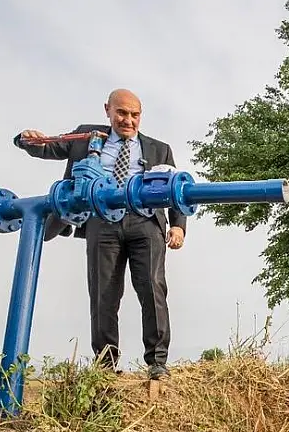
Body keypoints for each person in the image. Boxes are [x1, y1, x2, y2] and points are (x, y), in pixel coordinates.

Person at [13, 88, 184, 380]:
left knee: (152, 287)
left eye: (134, 115)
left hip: (145, 223)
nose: (128, 120)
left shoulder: (159, 148)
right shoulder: (87, 136)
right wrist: (26, 140)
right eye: (121, 113)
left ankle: (157, 362)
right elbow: (49, 147)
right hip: (101, 222)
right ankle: (105, 365)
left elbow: (174, 187)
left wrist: (178, 224)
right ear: (108, 110)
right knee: (103, 293)